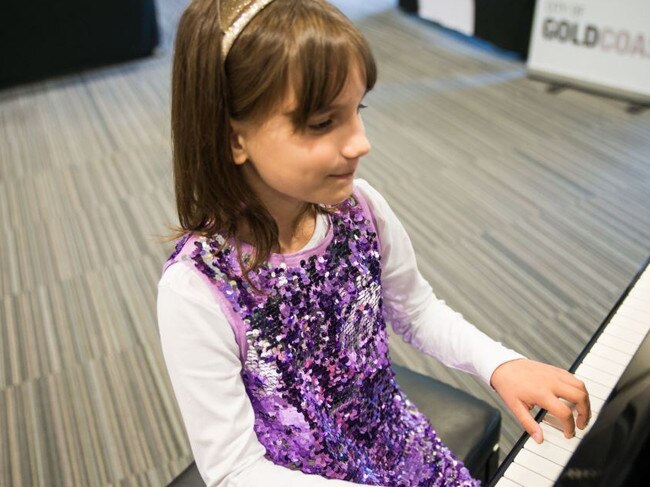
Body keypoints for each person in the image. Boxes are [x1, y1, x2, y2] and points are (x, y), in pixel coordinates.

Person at [157, 0, 591, 485]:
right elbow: (235, 469)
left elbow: (416, 310)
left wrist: (500, 363)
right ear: (233, 137)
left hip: (396, 443)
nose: (361, 142)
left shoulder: (359, 209)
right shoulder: (197, 290)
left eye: (357, 110)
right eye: (323, 123)